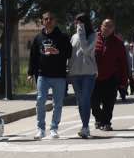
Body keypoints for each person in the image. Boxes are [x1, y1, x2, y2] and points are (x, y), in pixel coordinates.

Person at [28, 11, 71, 140]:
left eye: (51, 19)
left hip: (59, 75)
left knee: (57, 103)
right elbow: (33, 56)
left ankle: (54, 128)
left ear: (55, 21)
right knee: (40, 101)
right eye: (46, 19)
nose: (48, 21)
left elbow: (69, 53)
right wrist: (30, 73)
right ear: (42, 21)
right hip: (43, 75)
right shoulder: (38, 38)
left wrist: (58, 52)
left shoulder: (63, 37)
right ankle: (40, 129)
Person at [93, 19, 128, 131]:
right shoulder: (93, 38)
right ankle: (99, 118)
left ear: (113, 29)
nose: (107, 28)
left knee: (109, 102)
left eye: (110, 26)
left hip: (111, 77)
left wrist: (123, 81)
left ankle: (106, 122)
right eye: (105, 25)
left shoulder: (118, 42)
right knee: (93, 102)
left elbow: (123, 63)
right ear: (101, 26)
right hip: (94, 77)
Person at [68, 14, 98, 139]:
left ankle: (85, 127)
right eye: (76, 22)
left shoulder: (93, 36)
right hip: (75, 73)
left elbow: (86, 49)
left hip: (88, 73)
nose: (77, 24)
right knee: (80, 101)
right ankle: (84, 125)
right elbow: (70, 54)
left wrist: (81, 32)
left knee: (85, 99)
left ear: (85, 23)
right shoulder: (73, 37)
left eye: (80, 22)